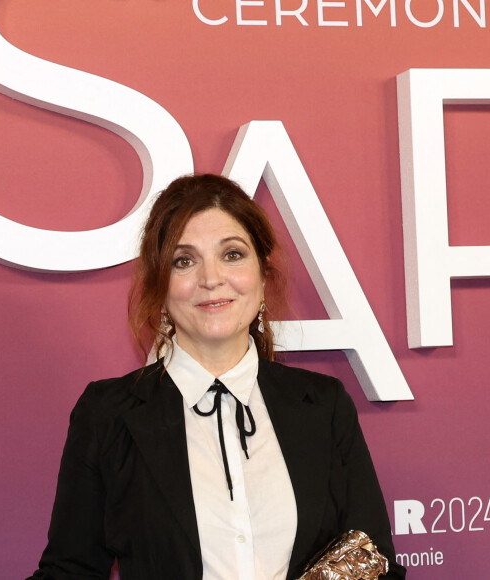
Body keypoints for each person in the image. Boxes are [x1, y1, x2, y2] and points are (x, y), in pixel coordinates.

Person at [27, 174, 406, 580]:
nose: (211, 279)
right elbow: (70, 572)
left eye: (232, 255)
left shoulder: (323, 405)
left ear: (263, 274)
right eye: (184, 260)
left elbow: (373, 562)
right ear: (161, 284)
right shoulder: (109, 415)